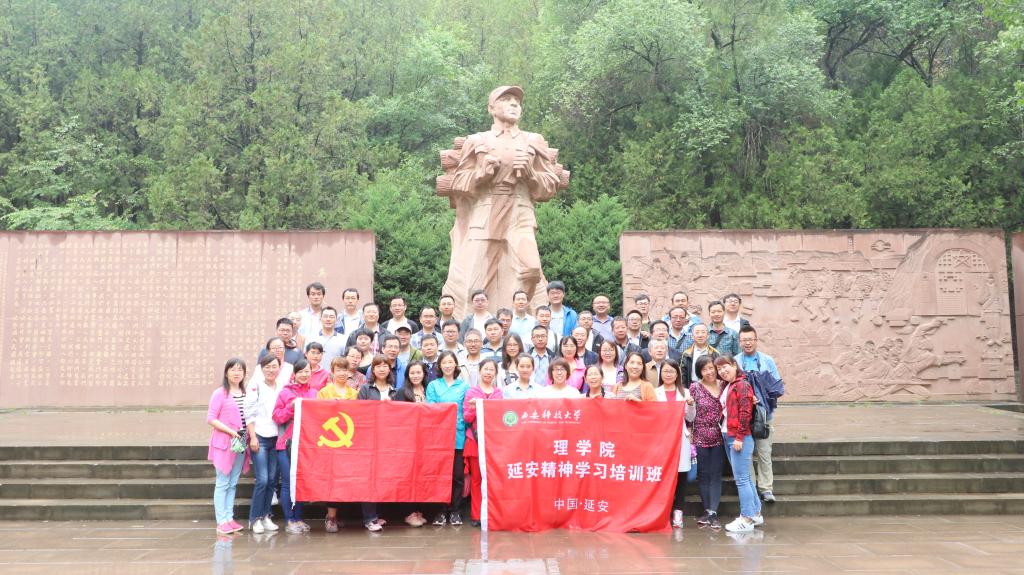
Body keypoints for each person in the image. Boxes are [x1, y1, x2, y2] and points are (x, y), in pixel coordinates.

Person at [716, 355, 764, 533]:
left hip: (738, 437)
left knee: (742, 479)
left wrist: (739, 437)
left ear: (734, 365)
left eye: (725, 366)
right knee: (745, 478)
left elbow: (745, 412)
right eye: (719, 369)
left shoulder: (742, 384)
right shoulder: (728, 385)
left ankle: (746, 518)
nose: (723, 371)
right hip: (728, 434)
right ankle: (755, 513)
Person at [272, 358, 318, 534]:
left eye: (307, 371)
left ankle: (298, 518)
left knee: (300, 482)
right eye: (301, 371)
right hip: (286, 443)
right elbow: (277, 417)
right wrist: (291, 407)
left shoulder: (314, 393)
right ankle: (289, 520)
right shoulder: (285, 392)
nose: (304, 374)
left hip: (306, 445)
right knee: (287, 482)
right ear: (294, 374)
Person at [426, 351, 471, 526]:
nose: (447, 365)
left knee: (457, 476)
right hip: (439, 437)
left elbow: (466, 410)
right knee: (440, 475)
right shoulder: (433, 385)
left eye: (450, 362)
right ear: (439, 365)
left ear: (455, 365)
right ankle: (440, 511)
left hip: (458, 436)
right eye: (444, 362)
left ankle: (456, 511)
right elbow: (431, 409)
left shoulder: (464, 386)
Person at [738, 325, 781, 504]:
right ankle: (750, 488)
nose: (747, 343)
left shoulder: (767, 360)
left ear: (756, 341)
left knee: (764, 453)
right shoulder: (735, 361)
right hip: (743, 417)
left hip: (763, 416)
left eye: (750, 339)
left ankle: (766, 488)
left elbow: (777, 386)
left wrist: (762, 394)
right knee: (746, 455)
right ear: (739, 342)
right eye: (744, 340)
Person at [207, 358, 250, 535]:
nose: (236, 373)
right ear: (226, 372)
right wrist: (231, 431)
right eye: (233, 369)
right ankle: (221, 521)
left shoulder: (246, 393)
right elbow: (211, 418)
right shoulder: (220, 393)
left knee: (233, 483)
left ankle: (229, 518)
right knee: (223, 482)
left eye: (240, 369)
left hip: (241, 442)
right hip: (224, 443)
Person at [356, 355, 398, 532]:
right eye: (378, 366)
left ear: (390, 369)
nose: (382, 369)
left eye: (385, 366)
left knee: (382, 478)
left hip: (389, 441)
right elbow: (359, 413)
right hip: (368, 441)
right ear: (372, 370)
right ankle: (369, 517)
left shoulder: (395, 391)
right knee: (369, 479)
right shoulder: (365, 389)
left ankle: (377, 514)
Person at [317, 358, 359, 533]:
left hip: (349, 444)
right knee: (333, 479)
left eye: (344, 370)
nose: (342, 373)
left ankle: (342, 515)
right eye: (338, 370)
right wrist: (328, 406)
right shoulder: (324, 392)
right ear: (332, 371)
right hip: (330, 443)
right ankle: (331, 517)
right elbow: (317, 415)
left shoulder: (354, 393)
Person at [243, 354, 283, 534]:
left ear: (279, 368)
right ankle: (255, 518)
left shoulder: (281, 386)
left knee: (273, 480)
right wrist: (252, 437)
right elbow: (249, 413)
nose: (271, 370)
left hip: (276, 438)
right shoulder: (255, 386)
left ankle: (266, 516)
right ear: (261, 368)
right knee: (263, 479)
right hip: (260, 437)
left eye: (274, 366)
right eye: (267, 367)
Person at [653, 360, 696, 528]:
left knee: (681, 475)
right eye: (665, 371)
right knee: (662, 475)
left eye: (672, 371)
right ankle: (662, 511)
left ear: (677, 374)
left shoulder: (685, 392)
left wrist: (691, 405)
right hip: (661, 439)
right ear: (661, 373)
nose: (668, 374)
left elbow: (690, 417)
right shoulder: (655, 393)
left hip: (680, 437)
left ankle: (678, 511)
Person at [462, 359, 503, 527]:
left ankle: (492, 514)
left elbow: (500, 417)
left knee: (493, 480)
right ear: (479, 371)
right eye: (485, 369)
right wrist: (474, 407)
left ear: (495, 373)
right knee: (477, 479)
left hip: (493, 442)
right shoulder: (471, 392)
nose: (488, 372)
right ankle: (476, 515)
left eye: (491, 370)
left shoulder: (499, 393)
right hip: (475, 440)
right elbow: (467, 417)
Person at [691, 356, 725, 530]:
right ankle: (707, 511)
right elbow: (689, 412)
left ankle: (713, 512)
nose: (709, 372)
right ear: (700, 372)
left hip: (720, 436)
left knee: (716, 474)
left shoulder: (724, 385)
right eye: (704, 369)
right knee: (703, 474)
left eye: (711, 368)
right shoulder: (695, 388)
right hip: (699, 436)